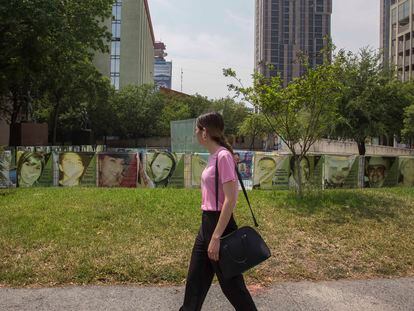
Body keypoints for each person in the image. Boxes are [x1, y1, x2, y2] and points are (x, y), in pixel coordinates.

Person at [180, 112, 257, 311]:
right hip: (206, 224)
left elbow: (231, 200)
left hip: (219, 227)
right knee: (194, 283)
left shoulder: (223, 156)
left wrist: (216, 237)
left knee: (233, 288)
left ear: (205, 132)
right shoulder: (214, 156)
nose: (195, 133)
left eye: (197, 129)